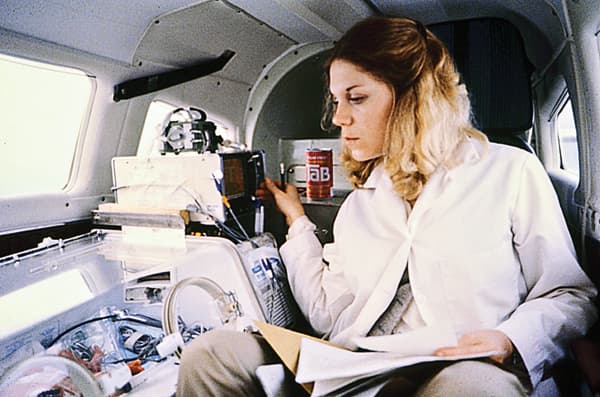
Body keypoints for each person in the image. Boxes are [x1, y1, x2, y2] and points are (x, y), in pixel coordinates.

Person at [176, 16, 597, 396]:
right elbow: (327, 315)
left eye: (355, 98)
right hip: (362, 365)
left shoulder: (511, 173)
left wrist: (511, 338)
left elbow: (570, 294)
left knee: (469, 389)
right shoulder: (361, 205)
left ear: (413, 99)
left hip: (467, 366)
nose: (339, 117)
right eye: (337, 101)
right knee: (212, 354)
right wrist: (298, 222)